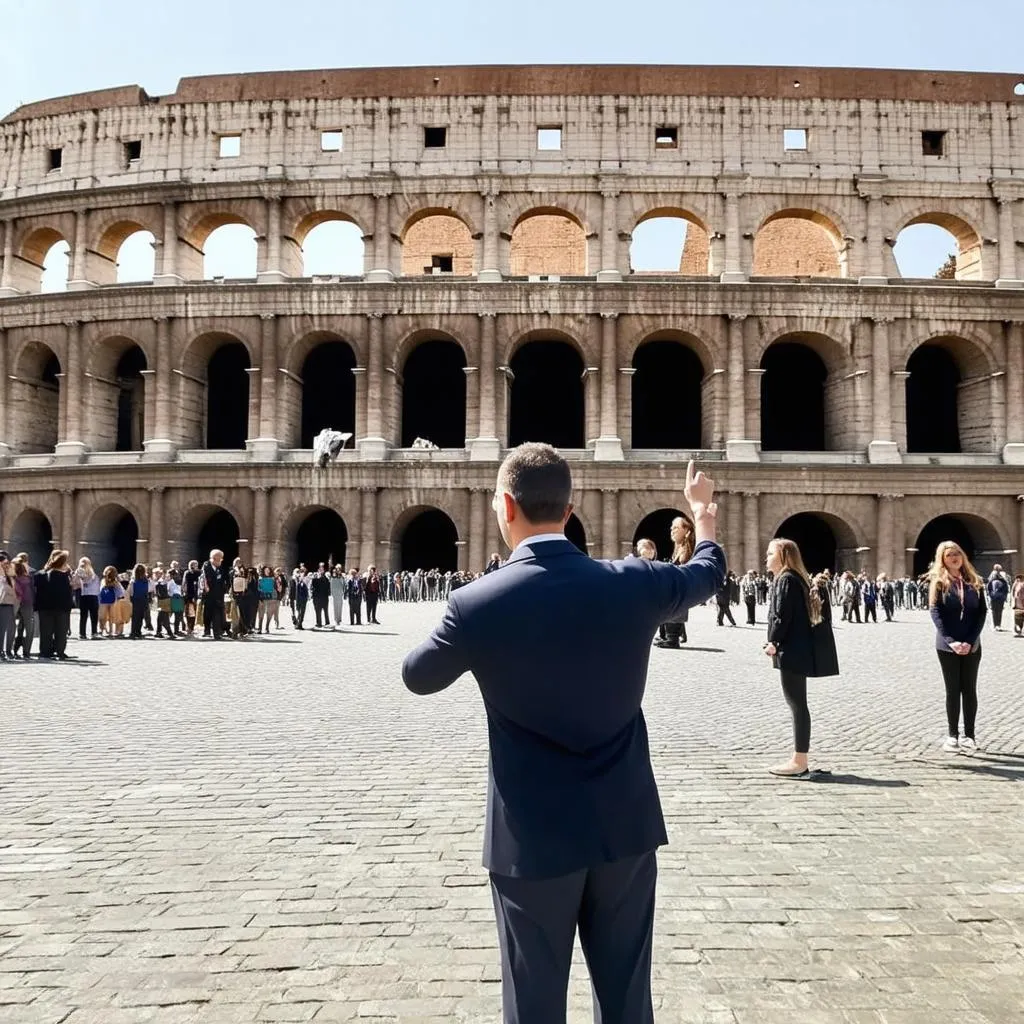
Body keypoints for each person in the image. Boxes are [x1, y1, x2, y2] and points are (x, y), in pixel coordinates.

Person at [402, 446, 725, 1024]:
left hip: (530, 836)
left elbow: (417, 676)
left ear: (505, 506)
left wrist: (471, 621)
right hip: (623, 825)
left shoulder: (476, 603)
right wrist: (701, 518)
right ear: (570, 509)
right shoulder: (635, 582)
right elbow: (706, 575)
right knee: (628, 999)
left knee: (533, 1005)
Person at [763, 538, 839, 778]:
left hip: (791, 649)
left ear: (784, 555)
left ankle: (799, 760)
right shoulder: (795, 579)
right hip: (799, 647)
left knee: (796, 704)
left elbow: (781, 616)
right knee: (798, 704)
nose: (767, 558)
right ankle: (800, 758)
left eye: (770, 554)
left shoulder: (785, 579)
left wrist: (773, 642)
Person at [929, 541, 987, 753]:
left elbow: (981, 613)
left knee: (969, 690)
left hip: (972, 645)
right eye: (949, 555)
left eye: (957, 553)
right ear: (942, 560)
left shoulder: (975, 582)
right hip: (947, 645)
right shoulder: (939, 583)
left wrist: (970, 640)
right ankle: (952, 735)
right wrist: (951, 640)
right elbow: (936, 613)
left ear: (963, 556)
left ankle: (969, 735)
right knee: (952, 690)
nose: (954, 557)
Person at [654, 515, 694, 649]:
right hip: (674, 587)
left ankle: (673, 639)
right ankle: (669, 636)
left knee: (673, 609)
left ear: (686, 530)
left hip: (679, 587)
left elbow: (683, 566)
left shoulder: (687, 548)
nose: (672, 530)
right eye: (672, 527)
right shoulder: (679, 547)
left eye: (676, 527)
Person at [35, 550, 74, 660]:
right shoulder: (65, 576)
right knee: (61, 631)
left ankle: (45, 651)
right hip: (61, 608)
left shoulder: (40, 574)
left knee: (46, 631)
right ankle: (60, 651)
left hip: (45, 608)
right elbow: (71, 590)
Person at [201, 549, 230, 640]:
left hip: (219, 596)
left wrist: (225, 591)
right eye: (220, 559)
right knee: (207, 614)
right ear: (214, 559)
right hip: (208, 596)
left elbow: (225, 581)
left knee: (217, 614)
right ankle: (207, 630)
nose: (221, 561)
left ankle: (217, 633)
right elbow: (204, 580)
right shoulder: (206, 567)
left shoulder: (221, 568)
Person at [0, 552, 16, 660]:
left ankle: (4, 651)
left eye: (7, 563)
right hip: (3, 603)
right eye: (4, 563)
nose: (6, 565)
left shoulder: (8, 576)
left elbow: (13, 590)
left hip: (6, 604)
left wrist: (9, 575)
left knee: (6, 629)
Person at [986, 565, 1009, 631]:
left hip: (999, 598)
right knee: (996, 611)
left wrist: (1004, 596)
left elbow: (1006, 589)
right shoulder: (992, 578)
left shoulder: (1002, 579)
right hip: (995, 598)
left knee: (998, 611)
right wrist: (990, 595)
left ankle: (997, 625)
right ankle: (996, 625)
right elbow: (989, 588)